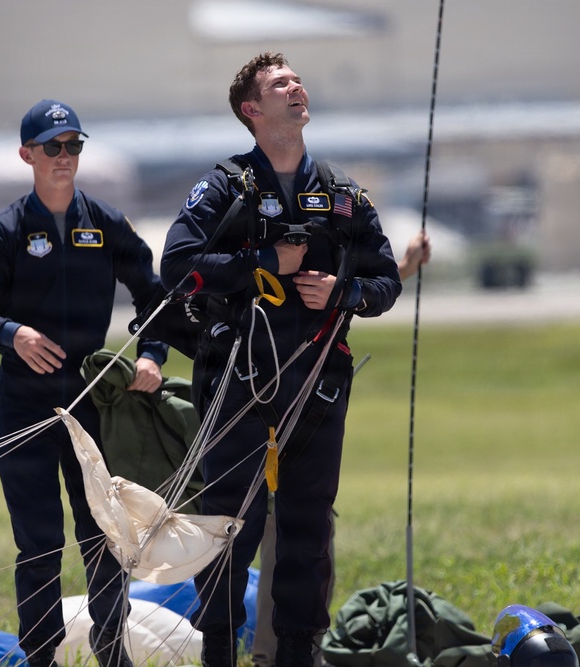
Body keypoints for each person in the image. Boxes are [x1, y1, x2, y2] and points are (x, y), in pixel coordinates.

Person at [160, 52, 403, 667]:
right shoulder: (224, 188)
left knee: (307, 526)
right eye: (279, 84)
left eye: (296, 80)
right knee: (225, 525)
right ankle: (219, 651)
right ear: (252, 110)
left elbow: (386, 280)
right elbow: (179, 266)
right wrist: (265, 264)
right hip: (236, 381)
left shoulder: (343, 195)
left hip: (316, 386)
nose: (296, 88)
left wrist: (345, 294)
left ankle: (298, 652)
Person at [0, 99, 168, 667]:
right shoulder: (2, 232)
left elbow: (155, 298)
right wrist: (11, 333)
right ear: (27, 154)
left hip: (91, 404)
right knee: (40, 543)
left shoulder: (106, 223)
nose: (65, 157)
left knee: (104, 534)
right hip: (23, 407)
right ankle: (41, 655)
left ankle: (111, 648)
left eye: (74, 145)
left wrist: (152, 354)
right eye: (53, 147)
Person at [252, 231, 431, 667]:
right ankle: (271, 655)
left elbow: (349, 288)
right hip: (264, 401)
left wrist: (401, 268)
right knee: (282, 532)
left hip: (316, 405)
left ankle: (295, 651)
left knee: (311, 531)